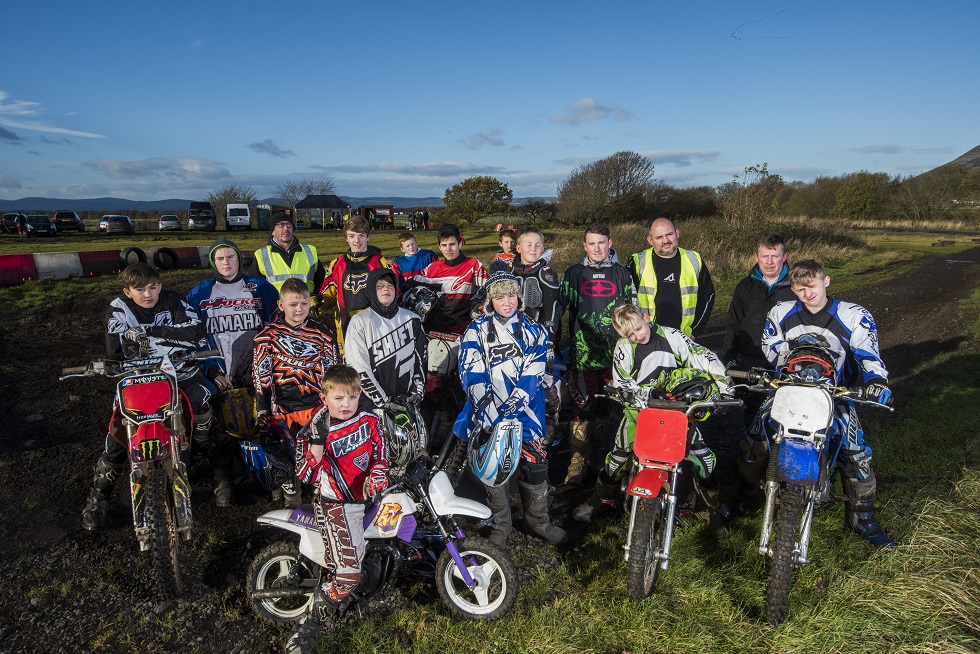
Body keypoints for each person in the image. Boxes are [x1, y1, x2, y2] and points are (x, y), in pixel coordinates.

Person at [755, 259, 895, 546]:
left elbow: (868, 352)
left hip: (835, 392)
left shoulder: (853, 314)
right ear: (792, 288)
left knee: (855, 451)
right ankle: (747, 496)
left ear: (826, 281)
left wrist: (876, 381)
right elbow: (770, 347)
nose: (808, 293)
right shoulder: (781, 311)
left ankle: (862, 518)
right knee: (754, 438)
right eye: (801, 288)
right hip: (788, 389)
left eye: (813, 285)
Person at [81, 262, 220, 529]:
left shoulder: (173, 300)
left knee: (202, 405)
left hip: (179, 374)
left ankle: (214, 468)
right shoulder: (118, 308)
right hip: (138, 378)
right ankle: (98, 498)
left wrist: (150, 333)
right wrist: (171, 340)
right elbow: (118, 349)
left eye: (153, 286)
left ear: (160, 285)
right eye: (140, 289)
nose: (148, 294)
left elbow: (196, 331)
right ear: (127, 290)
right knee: (118, 433)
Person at [573, 305, 732, 536]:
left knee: (705, 460)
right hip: (640, 414)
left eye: (638, 328)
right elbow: (621, 381)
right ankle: (600, 498)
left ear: (645, 318)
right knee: (618, 458)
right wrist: (645, 395)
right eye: (630, 334)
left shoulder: (672, 336)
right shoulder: (624, 348)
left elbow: (702, 355)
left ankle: (709, 511)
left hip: (678, 413)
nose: (638, 336)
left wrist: (724, 387)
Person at [454, 272, 567, 546]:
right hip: (487, 413)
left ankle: (537, 520)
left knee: (536, 466)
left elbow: (533, 374)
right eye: (500, 296)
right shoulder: (476, 330)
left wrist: (512, 410)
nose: (507, 302)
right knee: (494, 467)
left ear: (520, 297)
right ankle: (501, 523)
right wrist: (490, 412)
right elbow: (471, 371)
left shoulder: (535, 330)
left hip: (528, 413)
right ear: (490, 300)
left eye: (511, 295)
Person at [284, 365, 390, 654]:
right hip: (336, 505)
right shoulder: (315, 429)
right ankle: (307, 628)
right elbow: (304, 474)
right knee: (347, 578)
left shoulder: (369, 419)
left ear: (359, 395)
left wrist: (379, 472)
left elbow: (382, 452)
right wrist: (316, 444)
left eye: (352, 397)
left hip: (367, 498)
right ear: (325, 397)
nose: (346, 405)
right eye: (339, 398)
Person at [186, 238, 279, 505]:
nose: (226, 262)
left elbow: (276, 327)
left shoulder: (260, 288)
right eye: (220, 258)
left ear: (240, 259)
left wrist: (262, 366)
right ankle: (224, 481)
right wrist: (211, 369)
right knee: (219, 429)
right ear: (213, 262)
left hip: (254, 368)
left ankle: (267, 476)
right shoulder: (200, 292)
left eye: (231, 257)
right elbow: (192, 337)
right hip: (218, 371)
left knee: (262, 424)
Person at [718, 234, 797, 518]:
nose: (770, 262)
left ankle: (785, 487)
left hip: (784, 368)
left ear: (784, 256)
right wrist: (729, 361)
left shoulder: (795, 287)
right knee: (752, 430)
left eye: (775, 256)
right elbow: (733, 325)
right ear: (756, 257)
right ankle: (749, 488)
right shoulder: (745, 286)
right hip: (750, 368)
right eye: (765, 256)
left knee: (786, 428)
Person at [555, 222, 636, 486]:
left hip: (615, 358)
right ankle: (576, 464)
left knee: (605, 410)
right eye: (592, 243)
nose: (597, 248)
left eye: (602, 242)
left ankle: (597, 460)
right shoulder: (574, 273)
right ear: (584, 246)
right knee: (580, 410)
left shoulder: (623, 274)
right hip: (582, 355)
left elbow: (634, 314)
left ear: (610, 243)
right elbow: (556, 310)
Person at [252, 278, 338, 507]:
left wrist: (333, 404)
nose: (299, 309)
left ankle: (322, 497)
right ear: (281, 305)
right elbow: (261, 375)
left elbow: (332, 371)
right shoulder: (266, 336)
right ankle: (292, 500)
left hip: (316, 407)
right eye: (293, 304)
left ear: (310, 302)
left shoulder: (324, 334)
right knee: (287, 459)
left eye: (303, 303)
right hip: (282, 409)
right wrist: (262, 408)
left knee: (319, 456)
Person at [344, 268, 426, 411]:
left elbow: (421, 360)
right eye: (379, 286)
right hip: (373, 403)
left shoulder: (412, 319)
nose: (385, 289)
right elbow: (358, 366)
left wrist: (417, 393)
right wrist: (382, 401)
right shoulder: (360, 321)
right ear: (371, 290)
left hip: (407, 401)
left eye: (390, 285)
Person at [628, 217, 714, 338]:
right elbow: (626, 301)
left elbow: (707, 297)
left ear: (677, 233)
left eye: (669, 234)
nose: (665, 240)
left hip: (684, 338)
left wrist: (695, 332)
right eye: (659, 237)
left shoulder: (694, 259)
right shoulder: (637, 262)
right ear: (650, 240)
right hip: (649, 338)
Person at [319, 215, 389, 349]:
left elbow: (394, 295)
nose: (357, 240)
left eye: (361, 235)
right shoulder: (337, 264)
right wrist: (317, 302)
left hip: (376, 329)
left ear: (368, 236)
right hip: (345, 328)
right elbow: (328, 297)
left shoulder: (380, 262)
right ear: (346, 238)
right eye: (352, 236)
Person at [408, 223, 487, 335]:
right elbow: (409, 285)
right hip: (434, 329)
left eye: (452, 244)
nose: (448, 249)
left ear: (460, 244)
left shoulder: (474, 265)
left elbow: (488, 291)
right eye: (444, 245)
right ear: (439, 246)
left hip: (463, 329)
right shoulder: (432, 268)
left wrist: (478, 305)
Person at [249, 212, 326, 293]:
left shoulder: (309, 251)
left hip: (306, 304)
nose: (286, 228)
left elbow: (322, 282)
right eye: (281, 225)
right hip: (276, 304)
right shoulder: (262, 255)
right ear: (273, 231)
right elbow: (254, 287)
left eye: (289, 225)